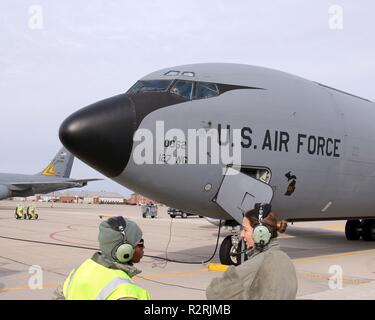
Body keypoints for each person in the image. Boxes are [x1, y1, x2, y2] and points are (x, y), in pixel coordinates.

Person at [206, 203, 298, 300]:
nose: (242, 234)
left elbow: (214, 293)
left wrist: (232, 273)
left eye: (245, 230)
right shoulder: (285, 259)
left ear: (260, 233)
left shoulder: (256, 265)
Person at [53, 216, 151, 300]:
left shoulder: (81, 269)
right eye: (140, 243)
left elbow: (58, 296)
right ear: (124, 250)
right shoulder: (125, 291)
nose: (144, 247)